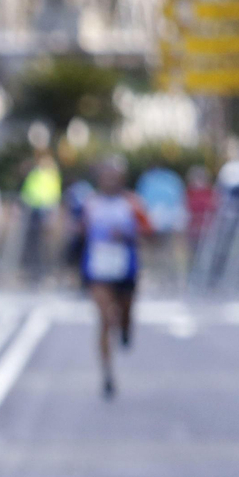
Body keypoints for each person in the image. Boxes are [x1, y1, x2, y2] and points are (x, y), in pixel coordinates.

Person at [77, 156, 153, 399]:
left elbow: (149, 231)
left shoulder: (132, 203)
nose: (110, 181)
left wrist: (129, 235)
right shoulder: (91, 203)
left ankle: (126, 328)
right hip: (99, 270)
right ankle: (107, 374)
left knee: (124, 314)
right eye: (105, 176)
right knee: (105, 319)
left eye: (114, 177)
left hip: (125, 268)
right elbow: (80, 231)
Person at [19, 150, 61, 284]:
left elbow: (54, 195)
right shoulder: (36, 174)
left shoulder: (51, 175)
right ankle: (32, 270)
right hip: (33, 213)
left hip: (45, 212)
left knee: (45, 245)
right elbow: (28, 192)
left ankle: (44, 272)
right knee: (33, 243)